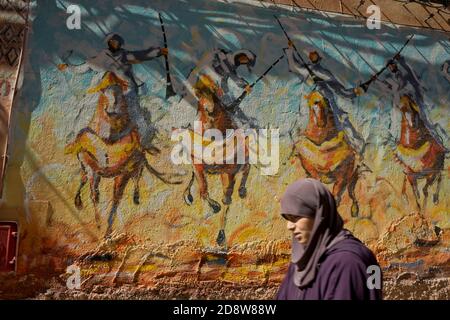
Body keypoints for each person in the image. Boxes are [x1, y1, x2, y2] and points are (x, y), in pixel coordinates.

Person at [58, 33, 168, 151]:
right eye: (112, 41)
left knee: (134, 111)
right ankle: (76, 137)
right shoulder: (103, 56)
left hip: (128, 88)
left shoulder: (124, 55)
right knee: (88, 105)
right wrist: (68, 67)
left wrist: (159, 52)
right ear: (109, 43)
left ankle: (145, 140)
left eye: (117, 42)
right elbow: (87, 66)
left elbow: (142, 55)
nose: (115, 44)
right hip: (110, 86)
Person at [276, 178, 382, 300]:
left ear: (319, 215)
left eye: (295, 217)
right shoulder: (304, 260)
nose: (289, 226)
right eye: (287, 218)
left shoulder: (347, 262)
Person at [284, 42, 366, 156]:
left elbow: (339, 89)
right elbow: (294, 66)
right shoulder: (306, 70)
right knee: (301, 121)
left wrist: (354, 92)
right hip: (310, 102)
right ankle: (295, 149)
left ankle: (356, 147)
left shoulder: (325, 72)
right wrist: (290, 50)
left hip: (329, 101)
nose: (313, 56)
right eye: (311, 54)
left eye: (315, 54)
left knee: (341, 119)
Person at [376, 54, 447, 150]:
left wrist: (401, 61)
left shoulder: (404, 76)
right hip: (404, 103)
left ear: (395, 65)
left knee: (427, 121)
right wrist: (376, 80)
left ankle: (441, 144)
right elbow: (387, 88)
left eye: (392, 65)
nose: (391, 67)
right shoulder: (392, 79)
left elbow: (410, 74)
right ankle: (395, 141)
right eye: (390, 66)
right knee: (401, 120)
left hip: (414, 101)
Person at [182, 48, 258, 128]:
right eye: (246, 62)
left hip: (208, 84)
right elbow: (229, 72)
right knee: (220, 106)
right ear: (244, 56)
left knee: (229, 102)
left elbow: (226, 77)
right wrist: (244, 86)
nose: (244, 63)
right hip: (200, 81)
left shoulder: (229, 61)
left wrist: (229, 92)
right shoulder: (223, 57)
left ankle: (245, 121)